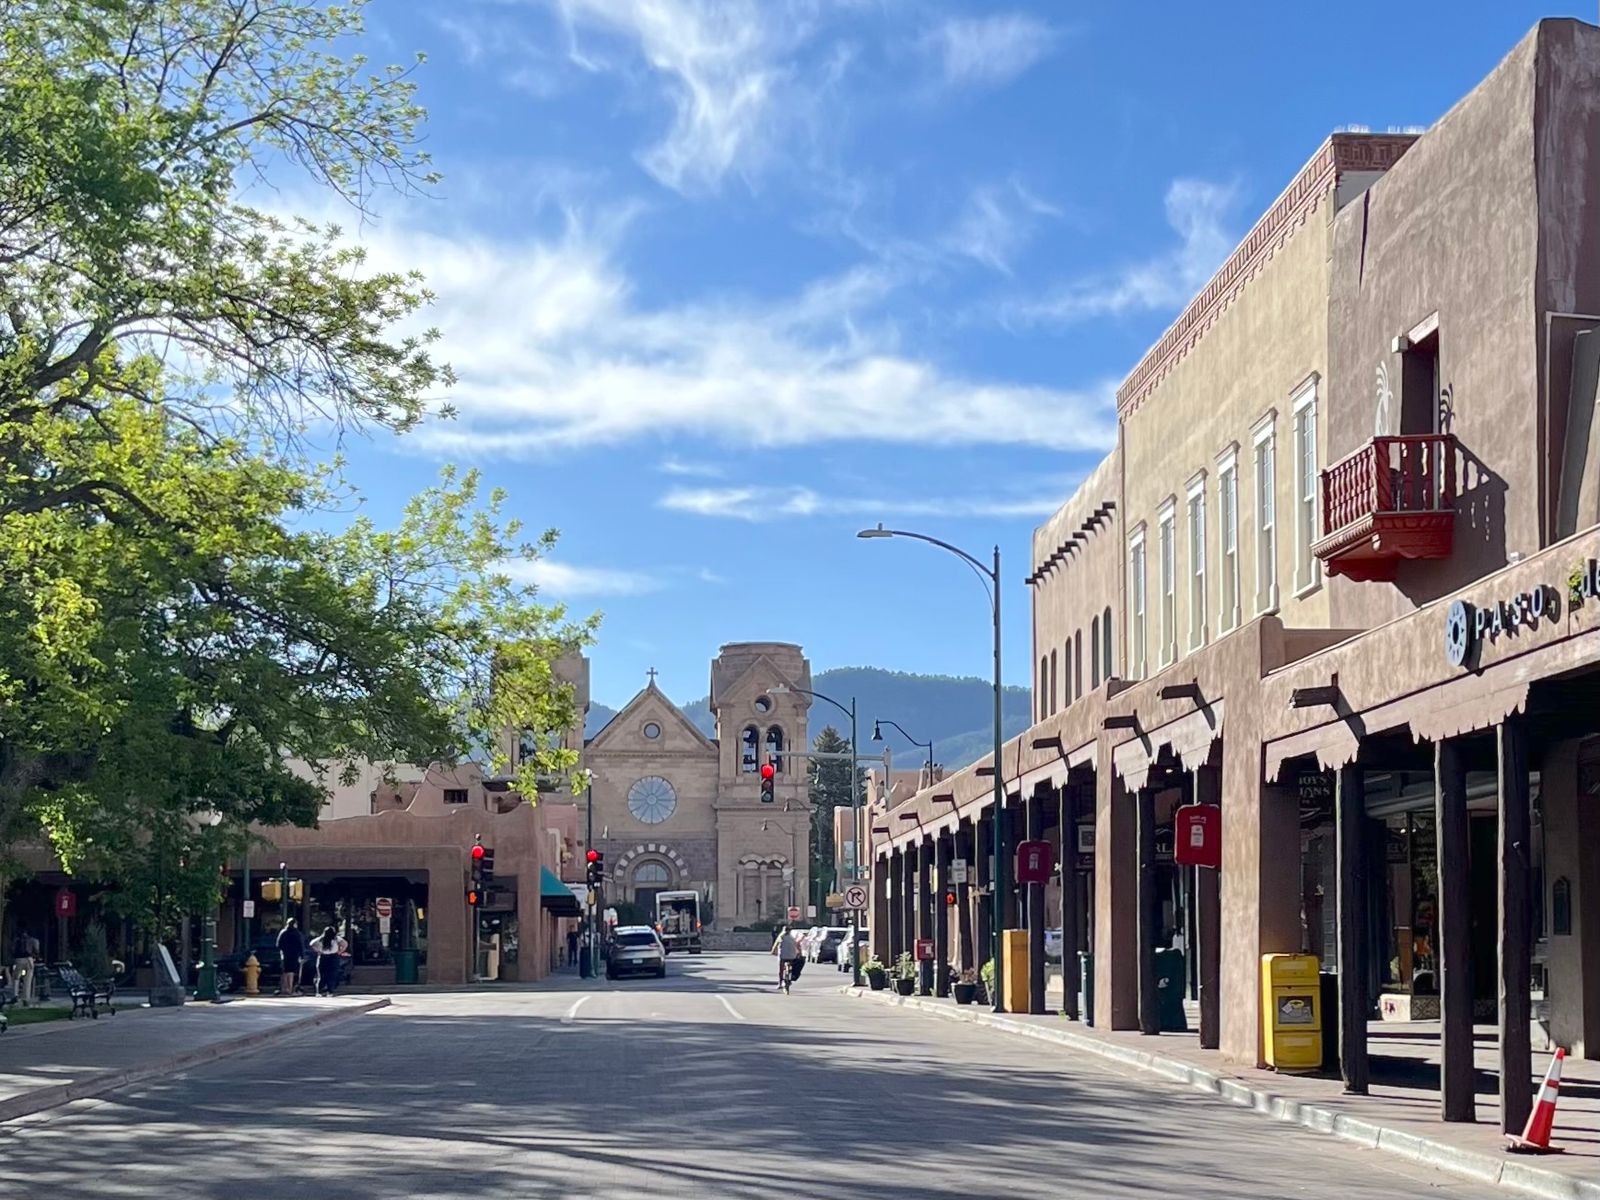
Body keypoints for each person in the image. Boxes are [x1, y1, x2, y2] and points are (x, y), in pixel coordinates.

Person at [310, 926, 348, 996]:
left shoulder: (321, 939)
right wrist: (340, 951)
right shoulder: (336, 939)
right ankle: (330, 992)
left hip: (323, 957)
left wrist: (318, 950)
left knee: (321, 975)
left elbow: (312, 943)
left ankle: (319, 992)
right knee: (332, 975)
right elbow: (345, 944)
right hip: (333, 957)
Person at [276, 919, 305, 996]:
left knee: (285, 972)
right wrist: (302, 956)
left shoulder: (283, 932)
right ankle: (290, 988)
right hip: (294, 955)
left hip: (285, 954)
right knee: (291, 972)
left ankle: (284, 988)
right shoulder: (297, 933)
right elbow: (301, 945)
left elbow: (278, 944)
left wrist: (283, 949)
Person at [10, 928, 37, 1007]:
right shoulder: (32, 940)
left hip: (19, 959)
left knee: (16, 978)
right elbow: (36, 950)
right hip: (29, 959)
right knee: (28, 979)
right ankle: (26, 998)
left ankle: (15, 995)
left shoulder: (16, 940)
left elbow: (12, 949)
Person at [772, 926, 803, 991]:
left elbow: (776, 945)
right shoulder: (792, 938)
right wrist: (799, 953)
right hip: (792, 956)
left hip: (783, 956)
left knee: (781, 969)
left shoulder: (781, 937)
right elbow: (797, 945)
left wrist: (773, 951)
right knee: (791, 965)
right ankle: (789, 978)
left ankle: (780, 983)